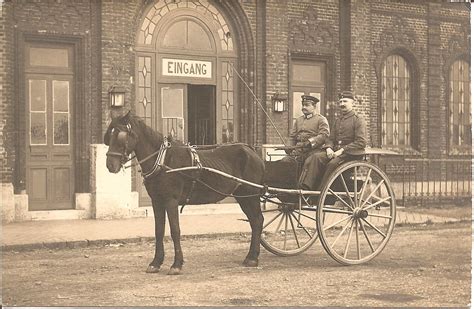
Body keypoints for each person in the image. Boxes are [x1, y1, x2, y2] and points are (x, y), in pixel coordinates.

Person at [299, 91, 367, 190]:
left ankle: (321, 193)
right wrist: (329, 148)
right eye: (340, 102)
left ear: (352, 103)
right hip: (335, 152)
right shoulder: (338, 120)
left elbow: (361, 142)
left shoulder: (358, 119)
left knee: (332, 164)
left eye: (345, 101)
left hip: (351, 155)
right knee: (316, 157)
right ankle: (307, 188)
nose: (342, 104)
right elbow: (330, 139)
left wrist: (342, 150)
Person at [284, 95, 329, 187]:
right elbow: (292, 136)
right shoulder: (298, 120)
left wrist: (310, 142)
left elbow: (324, 135)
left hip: (313, 151)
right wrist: (288, 146)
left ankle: (305, 187)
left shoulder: (321, 119)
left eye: (307, 105)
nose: (304, 107)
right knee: (285, 161)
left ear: (314, 107)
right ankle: (286, 187)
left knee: (309, 162)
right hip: (298, 151)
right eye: (303, 105)